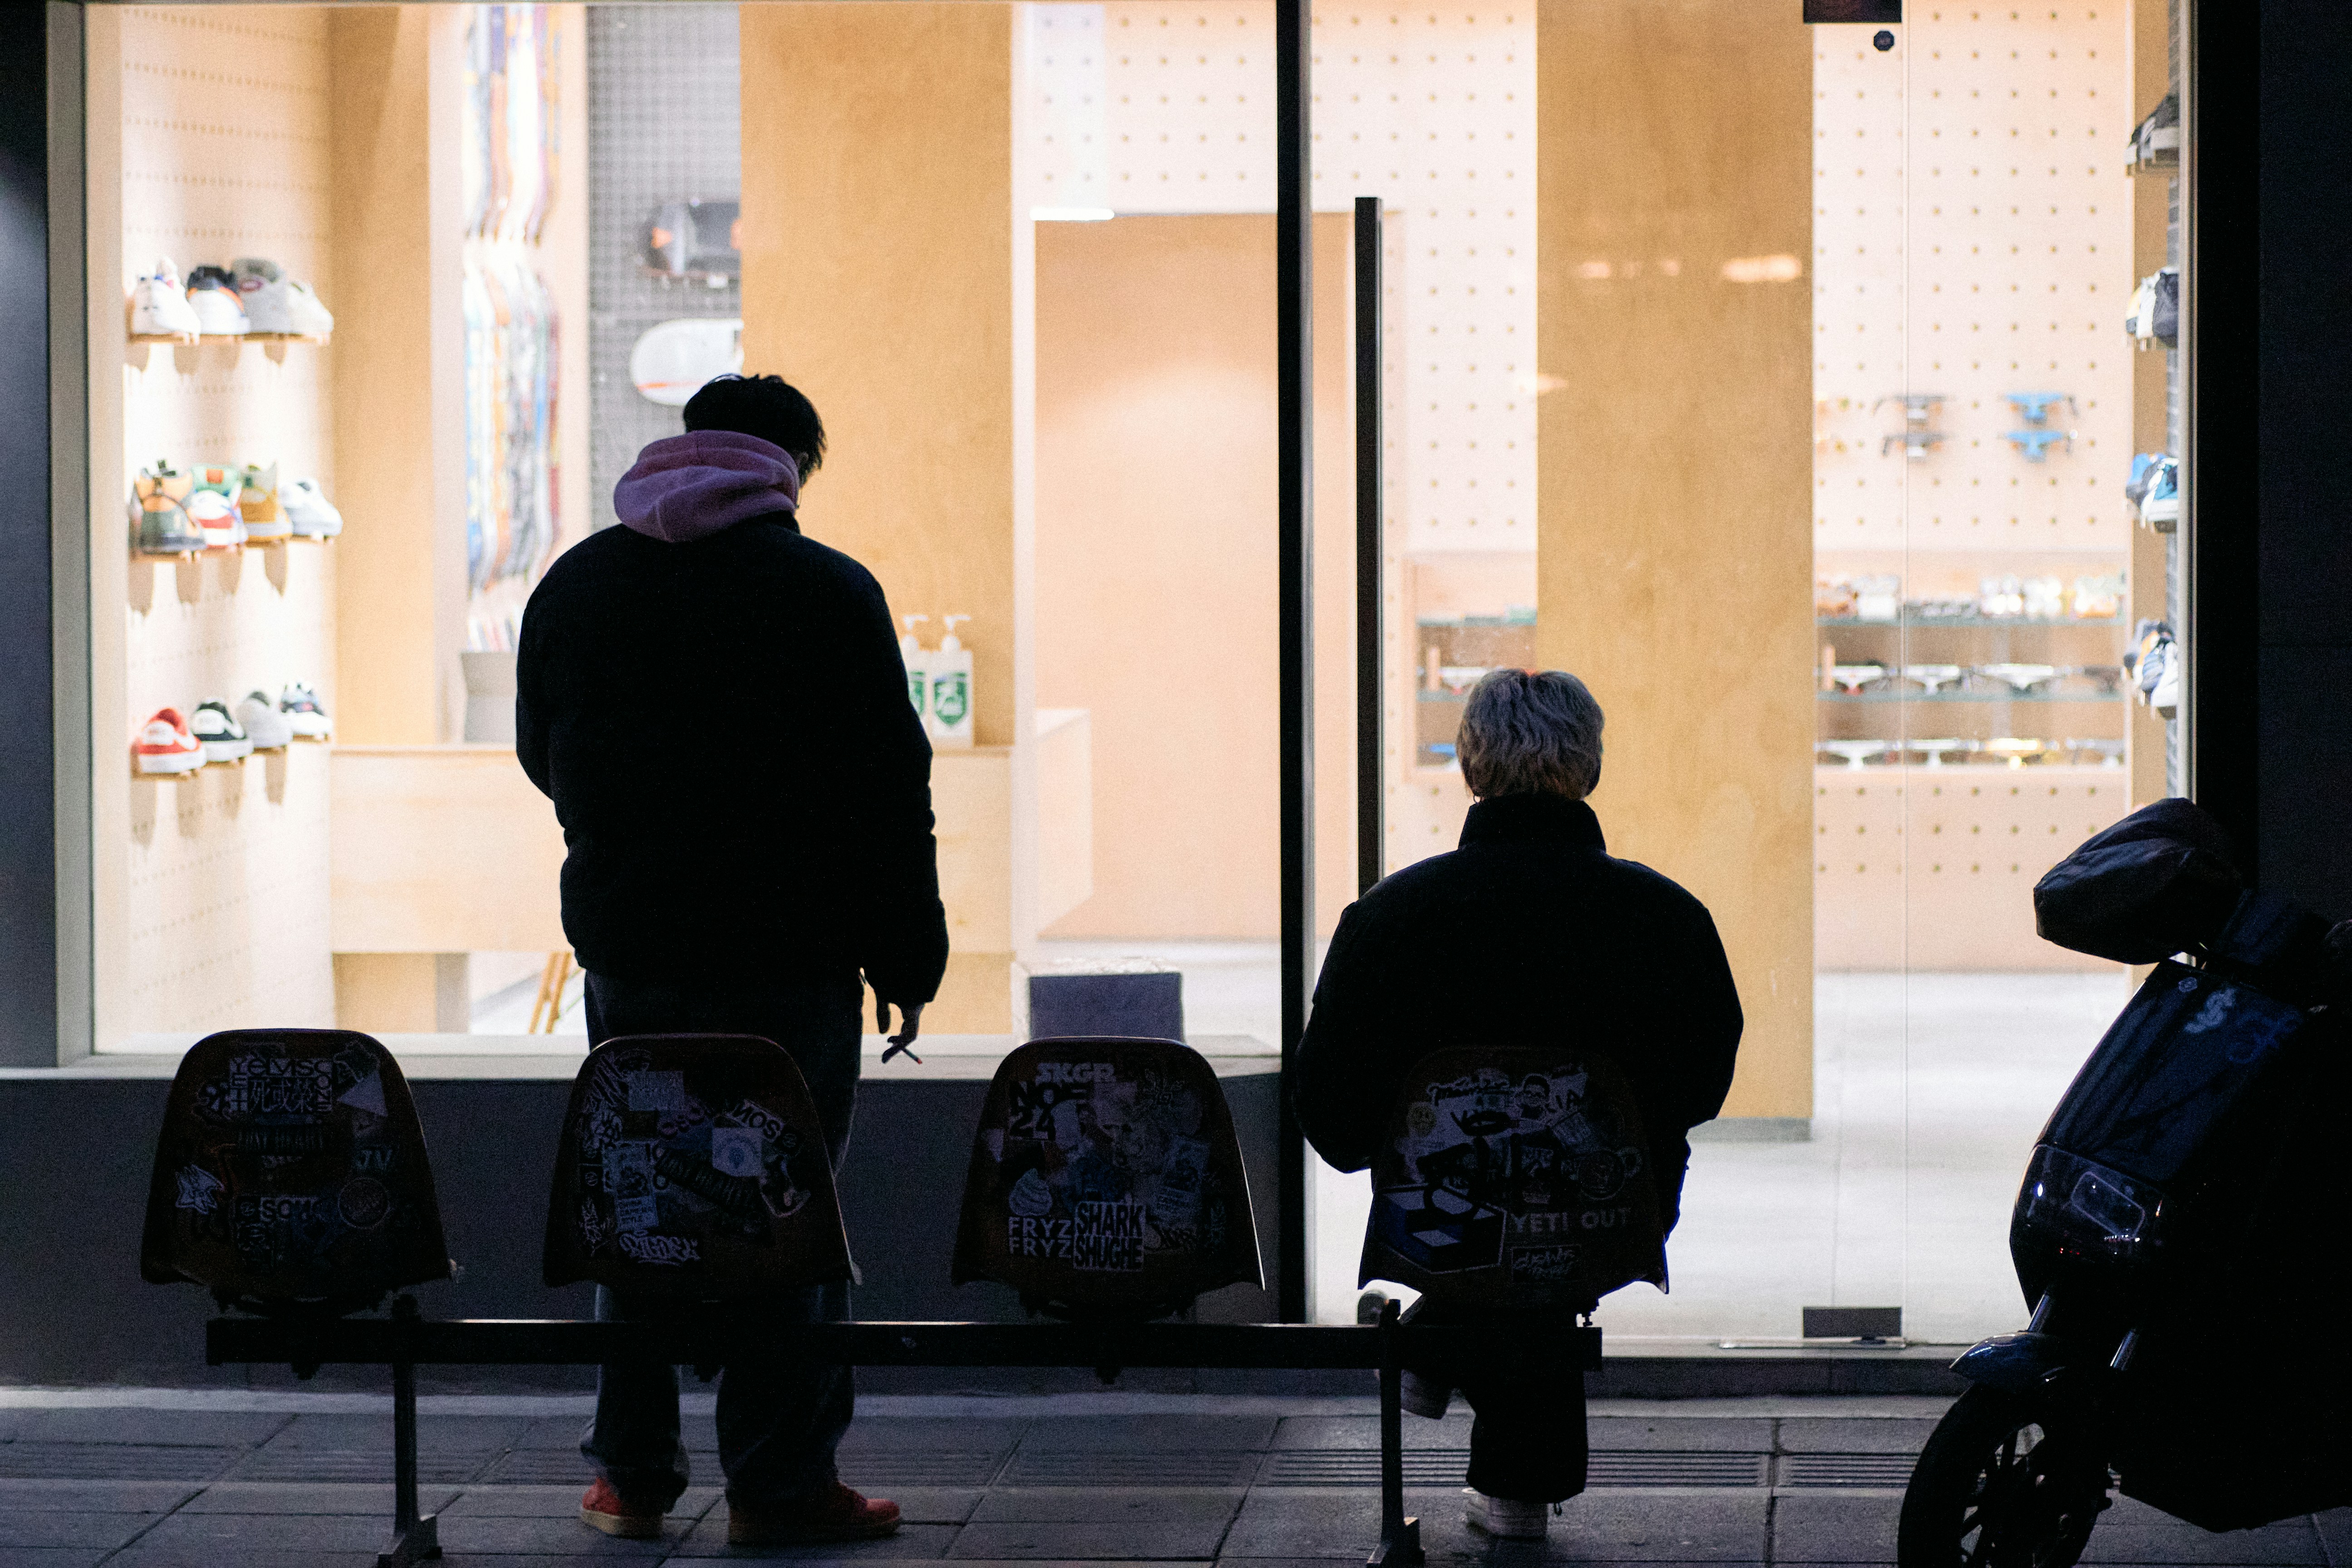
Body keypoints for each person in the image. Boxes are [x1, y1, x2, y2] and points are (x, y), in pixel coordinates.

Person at [517, 374, 947, 1548]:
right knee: (787, 1217)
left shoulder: (578, 584)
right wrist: (908, 955)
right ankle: (779, 1482)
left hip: (636, 957)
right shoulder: (826, 591)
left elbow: (540, 755)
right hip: (792, 967)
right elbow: (887, 793)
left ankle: (633, 1475)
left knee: (640, 1198)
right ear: (792, 468)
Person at [1292, 667, 1742, 1540]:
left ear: (1468, 767)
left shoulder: (1391, 918)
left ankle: (1441, 1329)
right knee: (1548, 1228)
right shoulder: (1665, 916)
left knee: (1488, 1217)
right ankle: (1506, 1468)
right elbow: (1703, 1085)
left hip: (1437, 1223)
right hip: (1609, 1214)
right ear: (1593, 771)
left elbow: (1333, 1111)